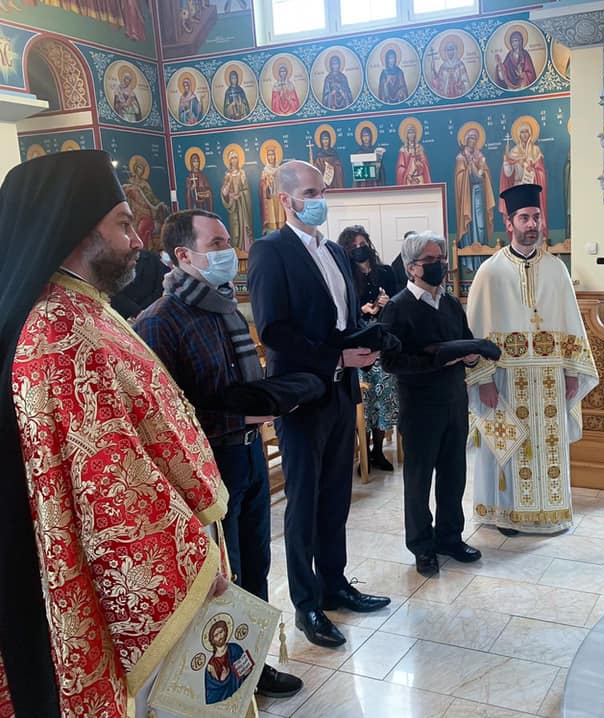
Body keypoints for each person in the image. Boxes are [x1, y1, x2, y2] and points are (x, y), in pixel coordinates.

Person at [0, 150, 229, 717]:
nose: (137, 241)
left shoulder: (87, 310)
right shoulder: (60, 331)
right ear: (80, 228)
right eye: (124, 224)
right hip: (126, 579)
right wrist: (193, 559)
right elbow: (111, 479)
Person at [135, 209, 303, 700]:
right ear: (183, 255)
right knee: (223, 576)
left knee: (256, 565)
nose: (229, 251)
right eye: (217, 243)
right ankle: (226, 683)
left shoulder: (225, 306)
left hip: (249, 457)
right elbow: (164, 421)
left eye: (228, 241)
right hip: (208, 469)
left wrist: (268, 402)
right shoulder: (159, 321)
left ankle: (256, 663)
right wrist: (243, 417)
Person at [247, 160, 390, 650]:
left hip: (342, 390)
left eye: (322, 191)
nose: (319, 199)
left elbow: (342, 320)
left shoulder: (333, 250)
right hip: (303, 396)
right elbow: (273, 329)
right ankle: (306, 603)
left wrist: (366, 342)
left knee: (335, 496)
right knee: (304, 502)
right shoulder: (270, 250)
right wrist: (336, 357)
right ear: (285, 199)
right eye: (310, 192)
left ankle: (334, 584)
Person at [466, 184, 598, 535]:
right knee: (508, 447)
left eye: (536, 217)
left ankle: (550, 512)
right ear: (509, 224)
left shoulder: (556, 270)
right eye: (524, 218)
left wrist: (572, 371)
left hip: (550, 380)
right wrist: (483, 381)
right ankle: (506, 515)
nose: (532, 225)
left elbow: (570, 324)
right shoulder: (489, 272)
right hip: (504, 381)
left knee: (547, 449)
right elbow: (476, 332)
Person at [380, 232, 482, 575]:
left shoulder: (451, 303)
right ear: (411, 267)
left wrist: (471, 357)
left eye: (441, 259)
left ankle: (450, 537)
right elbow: (391, 362)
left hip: (454, 400)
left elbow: (466, 341)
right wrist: (438, 361)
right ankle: (421, 546)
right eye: (430, 261)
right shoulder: (397, 308)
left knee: (454, 474)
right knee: (419, 479)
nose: (439, 265)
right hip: (420, 406)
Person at [337, 224, 399, 472]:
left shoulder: (385, 272)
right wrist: (362, 309)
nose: (359, 249)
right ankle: (360, 450)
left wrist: (387, 302)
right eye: (353, 246)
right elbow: (342, 310)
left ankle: (378, 450)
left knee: (382, 398)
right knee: (363, 401)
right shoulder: (345, 275)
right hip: (357, 344)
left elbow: (398, 302)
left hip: (381, 344)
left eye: (362, 244)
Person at [454, 126, 495, 274]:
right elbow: (459, 178)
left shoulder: (479, 156)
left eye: (475, 139)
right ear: (466, 140)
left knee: (481, 224)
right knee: (469, 224)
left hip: (479, 195)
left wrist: (480, 170)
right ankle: (470, 263)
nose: (473, 141)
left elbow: (484, 174)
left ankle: (482, 262)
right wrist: (467, 170)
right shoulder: (461, 157)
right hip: (467, 195)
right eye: (471, 138)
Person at [500, 120, 547, 227]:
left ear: (530, 134)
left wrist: (531, 169)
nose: (524, 134)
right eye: (522, 132)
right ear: (519, 135)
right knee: (519, 219)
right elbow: (508, 174)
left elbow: (541, 173)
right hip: (517, 189)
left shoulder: (535, 151)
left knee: (531, 219)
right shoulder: (514, 151)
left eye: (526, 132)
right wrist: (506, 161)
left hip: (532, 191)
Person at [110, 248, 168, 320]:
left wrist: (145, 312)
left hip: (150, 316)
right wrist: (136, 311)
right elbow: (111, 291)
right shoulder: (112, 258)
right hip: (118, 316)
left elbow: (161, 289)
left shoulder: (153, 259)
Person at [204, 619, 253, 704]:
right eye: (216, 635)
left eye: (221, 632)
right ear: (212, 640)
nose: (220, 636)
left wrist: (247, 672)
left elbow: (245, 672)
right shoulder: (211, 664)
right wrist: (223, 680)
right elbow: (211, 693)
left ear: (226, 631)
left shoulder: (235, 648)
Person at [221, 150, 254, 250]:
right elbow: (224, 193)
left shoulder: (242, 173)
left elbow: (246, 190)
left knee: (244, 226)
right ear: (229, 161)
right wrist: (230, 195)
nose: (234, 160)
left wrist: (241, 194)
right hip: (233, 207)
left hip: (242, 206)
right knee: (235, 228)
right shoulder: (227, 175)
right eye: (232, 158)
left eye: (235, 158)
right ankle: (237, 249)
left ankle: (246, 249)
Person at [260, 144, 284, 232]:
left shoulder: (279, 169)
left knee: (281, 218)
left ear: (275, 156)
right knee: (272, 220)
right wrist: (267, 183)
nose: (271, 157)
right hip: (270, 198)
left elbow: (283, 184)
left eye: (272, 154)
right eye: (269, 155)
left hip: (279, 197)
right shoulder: (264, 171)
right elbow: (262, 187)